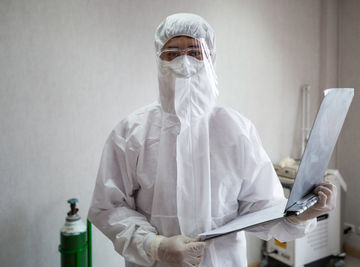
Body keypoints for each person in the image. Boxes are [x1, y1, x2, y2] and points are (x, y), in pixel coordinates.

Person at [88, 13, 337, 267]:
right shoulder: (131, 133)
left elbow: (262, 206)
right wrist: (155, 246)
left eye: (195, 52)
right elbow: (108, 207)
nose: (184, 62)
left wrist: (298, 216)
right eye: (172, 53)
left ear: (210, 59)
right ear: (159, 61)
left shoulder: (237, 131)